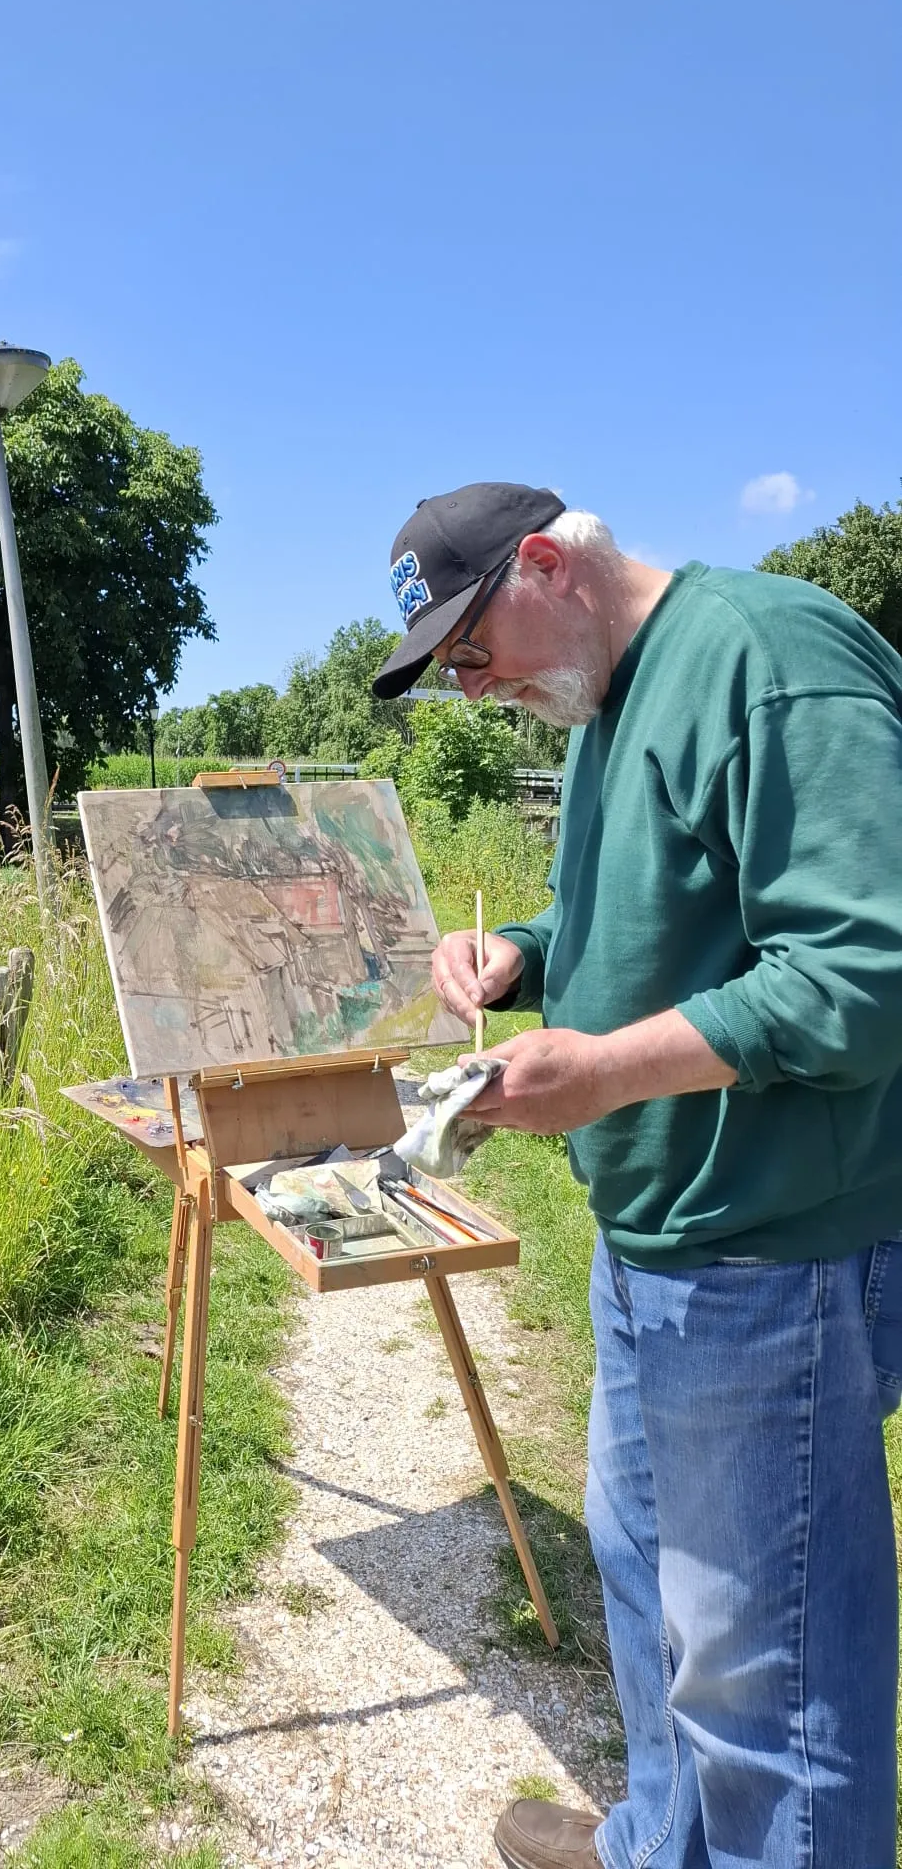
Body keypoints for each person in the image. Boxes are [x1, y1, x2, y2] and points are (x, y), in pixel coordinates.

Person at [371, 482, 902, 1869]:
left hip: (766, 1252)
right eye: (451, 676)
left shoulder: (768, 658)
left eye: (470, 650)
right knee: (648, 1585)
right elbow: (671, 909)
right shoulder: (605, 700)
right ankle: (654, 1848)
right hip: (655, 1236)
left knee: (761, 1677)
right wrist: (529, 953)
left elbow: (857, 979)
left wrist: (598, 1074)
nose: (475, 690)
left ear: (545, 562)